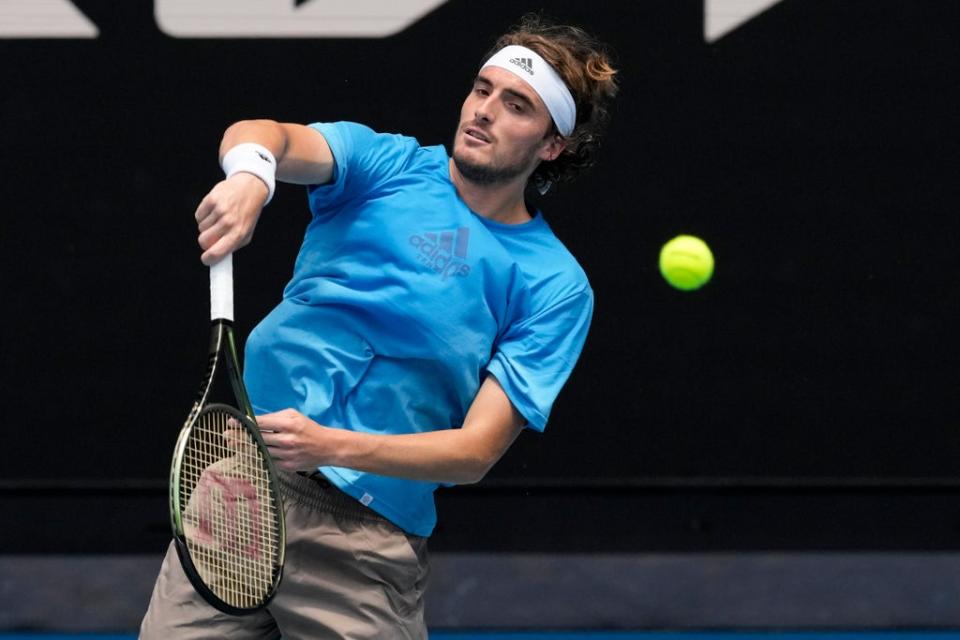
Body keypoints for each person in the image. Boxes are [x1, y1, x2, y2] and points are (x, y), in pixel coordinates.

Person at [141, 14, 618, 640]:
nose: (484, 112)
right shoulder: (386, 164)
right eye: (482, 90)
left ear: (553, 144)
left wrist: (328, 445)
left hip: (365, 540)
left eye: (517, 106)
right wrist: (253, 176)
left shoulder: (554, 285)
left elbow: (473, 453)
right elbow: (267, 135)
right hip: (240, 490)